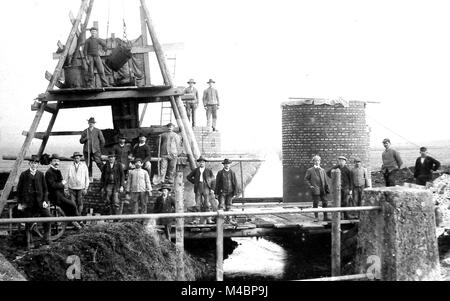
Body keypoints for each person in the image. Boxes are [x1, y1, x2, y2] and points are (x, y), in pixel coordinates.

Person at [16, 155, 52, 245]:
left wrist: (45, 201)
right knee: (28, 222)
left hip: (40, 203)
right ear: (29, 164)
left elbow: (45, 189)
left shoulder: (40, 174)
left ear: (38, 164)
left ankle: (46, 237)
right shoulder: (24, 174)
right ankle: (29, 241)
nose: (34, 165)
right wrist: (20, 203)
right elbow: (19, 190)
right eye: (32, 163)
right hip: (28, 204)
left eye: (36, 163)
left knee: (48, 216)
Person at [45, 154, 81, 229]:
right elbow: (52, 185)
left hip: (60, 194)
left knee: (70, 205)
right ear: (51, 162)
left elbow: (60, 182)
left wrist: (64, 188)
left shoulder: (57, 171)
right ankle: (76, 221)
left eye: (58, 161)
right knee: (72, 205)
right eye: (54, 161)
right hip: (54, 196)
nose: (56, 163)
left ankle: (74, 221)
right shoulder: (49, 172)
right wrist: (62, 183)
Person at [187, 156, 216, 224]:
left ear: (205, 163)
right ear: (199, 163)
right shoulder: (196, 170)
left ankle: (209, 219)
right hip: (198, 187)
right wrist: (195, 182)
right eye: (200, 162)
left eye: (203, 162)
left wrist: (212, 189)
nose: (201, 163)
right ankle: (196, 220)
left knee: (207, 204)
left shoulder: (209, 171)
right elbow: (188, 177)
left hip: (206, 187)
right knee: (198, 204)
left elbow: (213, 180)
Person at [304, 155, 330, 222]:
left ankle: (325, 217)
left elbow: (325, 180)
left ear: (320, 161)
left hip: (323, 189)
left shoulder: (322, 170)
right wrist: (310, 186)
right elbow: (306, 179)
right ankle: (316, 217)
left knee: (325, 202)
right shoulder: (310, 170)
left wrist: (327, 188)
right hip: (315, 189)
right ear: (313, 162)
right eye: (315, 160)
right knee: (316, 203)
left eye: (318, 160)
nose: (317, 162)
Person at [215, 159, 238, 224]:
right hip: (222, 192)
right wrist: (216, 193)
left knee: (229, 206)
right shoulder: (220, 173)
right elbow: (217, 183)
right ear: (224, 165)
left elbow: (235, 182)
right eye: (225, 164)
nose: (227, 165)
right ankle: (221, 220)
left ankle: (229, 220)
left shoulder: (232, 173)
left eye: (228, 164)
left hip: (230, 192)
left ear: (230, 165)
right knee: (221, 205)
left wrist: (235, 192)